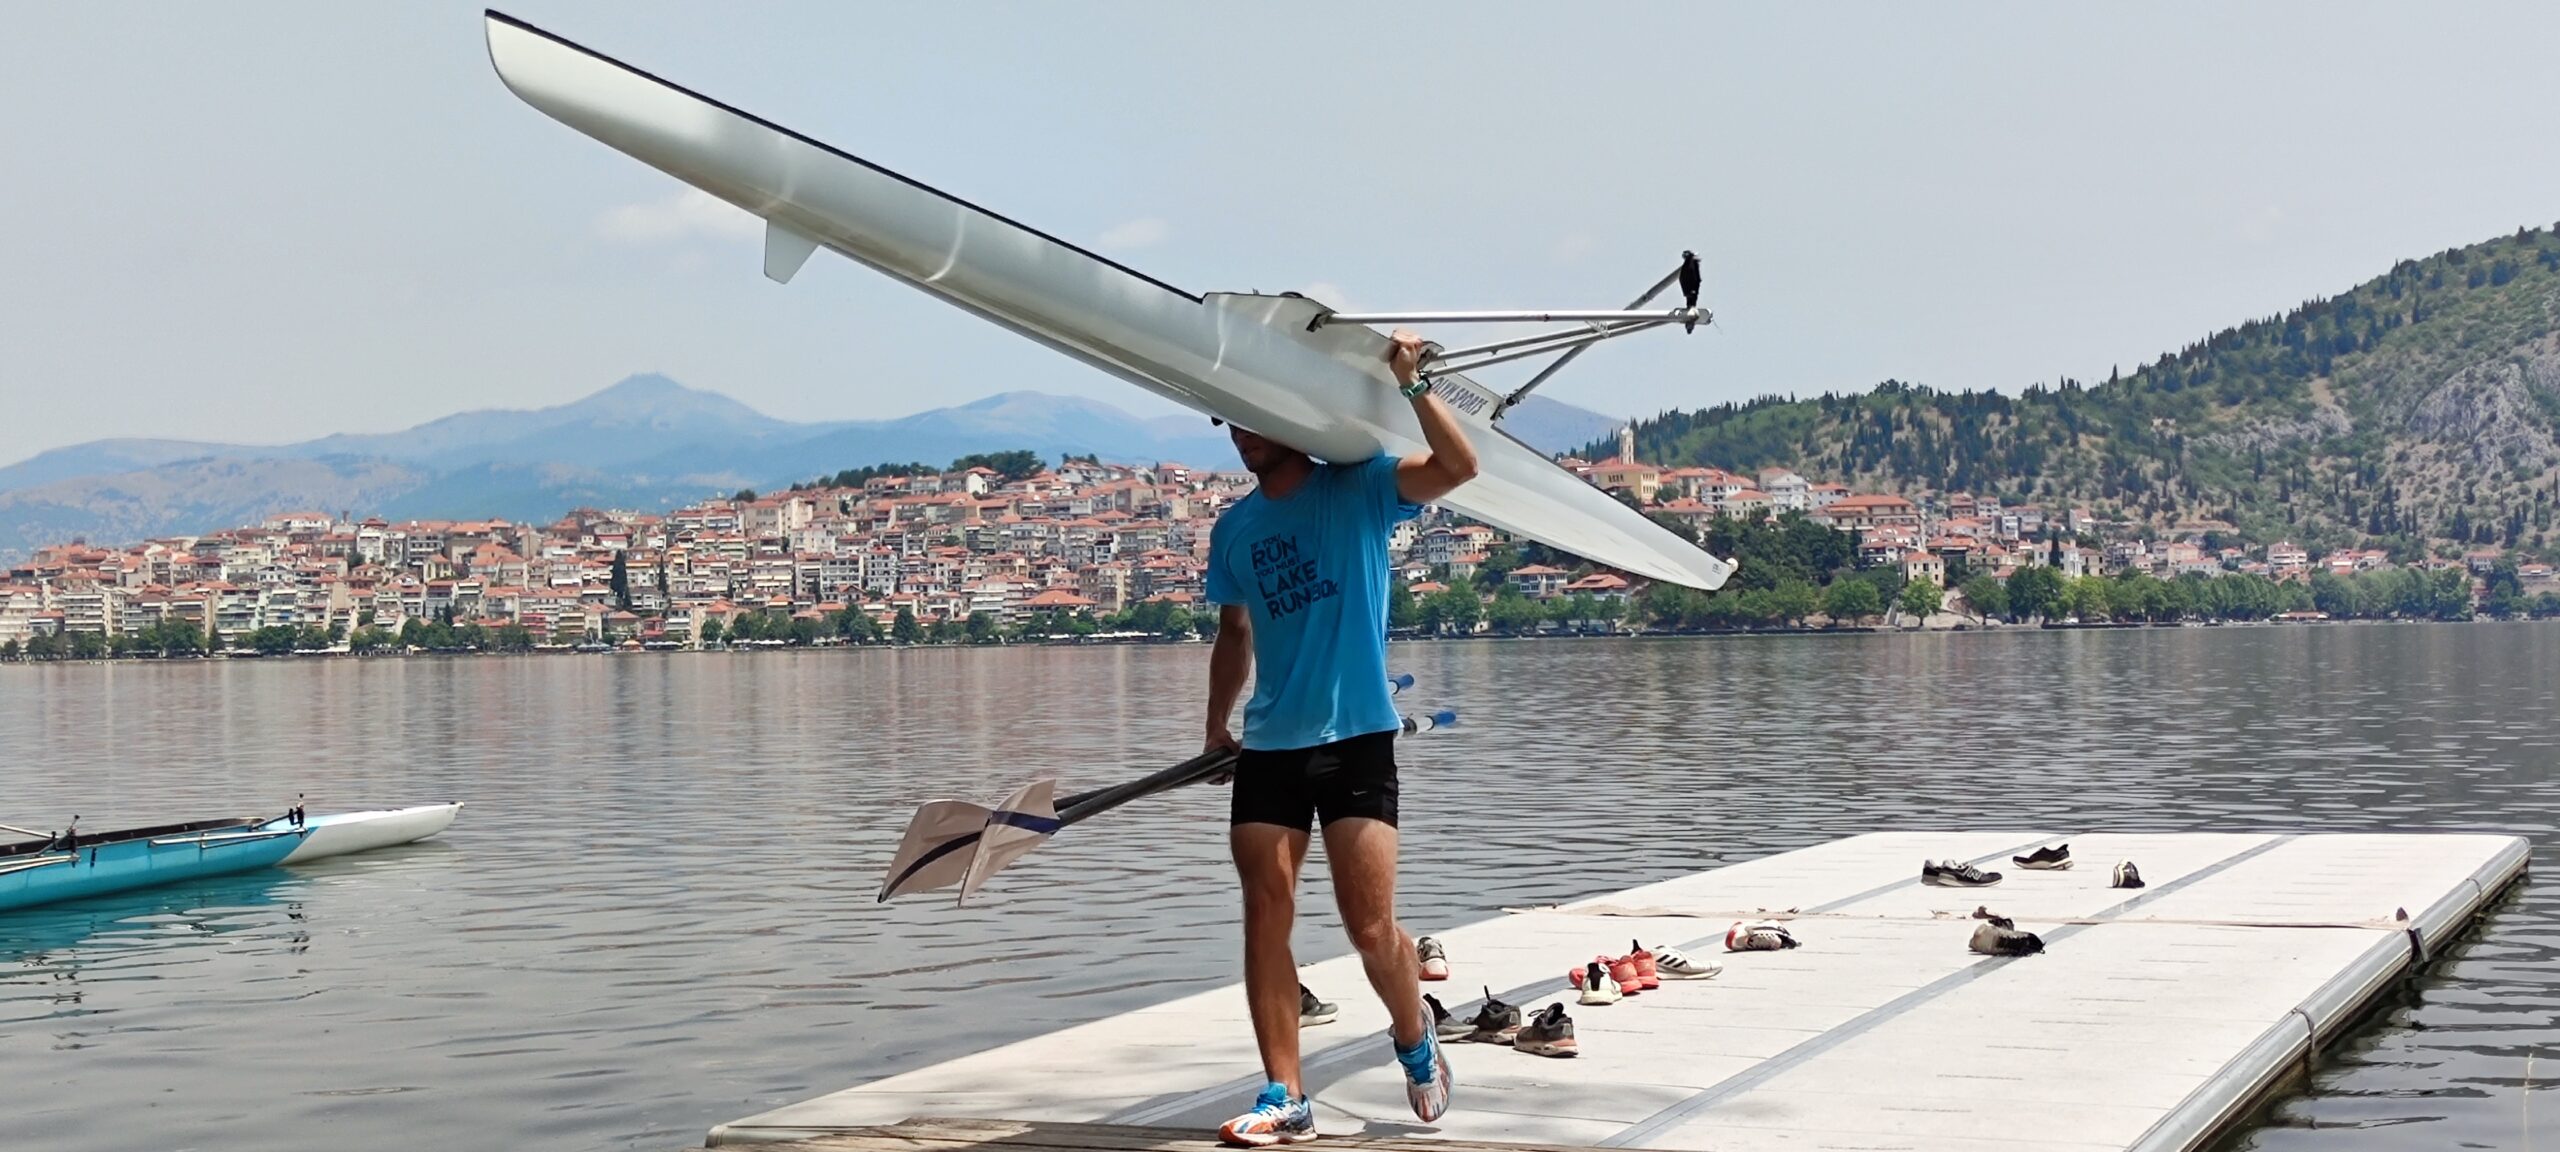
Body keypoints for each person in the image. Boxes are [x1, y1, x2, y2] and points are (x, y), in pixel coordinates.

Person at [1203, 329, 1478, 1146]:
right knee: (1265, 916)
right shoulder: (1234, 531)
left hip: (1358, 736)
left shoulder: (1360, 488)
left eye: (1257, 419)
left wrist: (1413, 383)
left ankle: (1413, 1035)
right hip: (1271, 746)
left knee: (1369, 929)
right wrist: (1215, 725)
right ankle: (1284, 1094)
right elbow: (1234, 634)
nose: (1245, 435)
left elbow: (1459, 469)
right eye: (1232, 425)